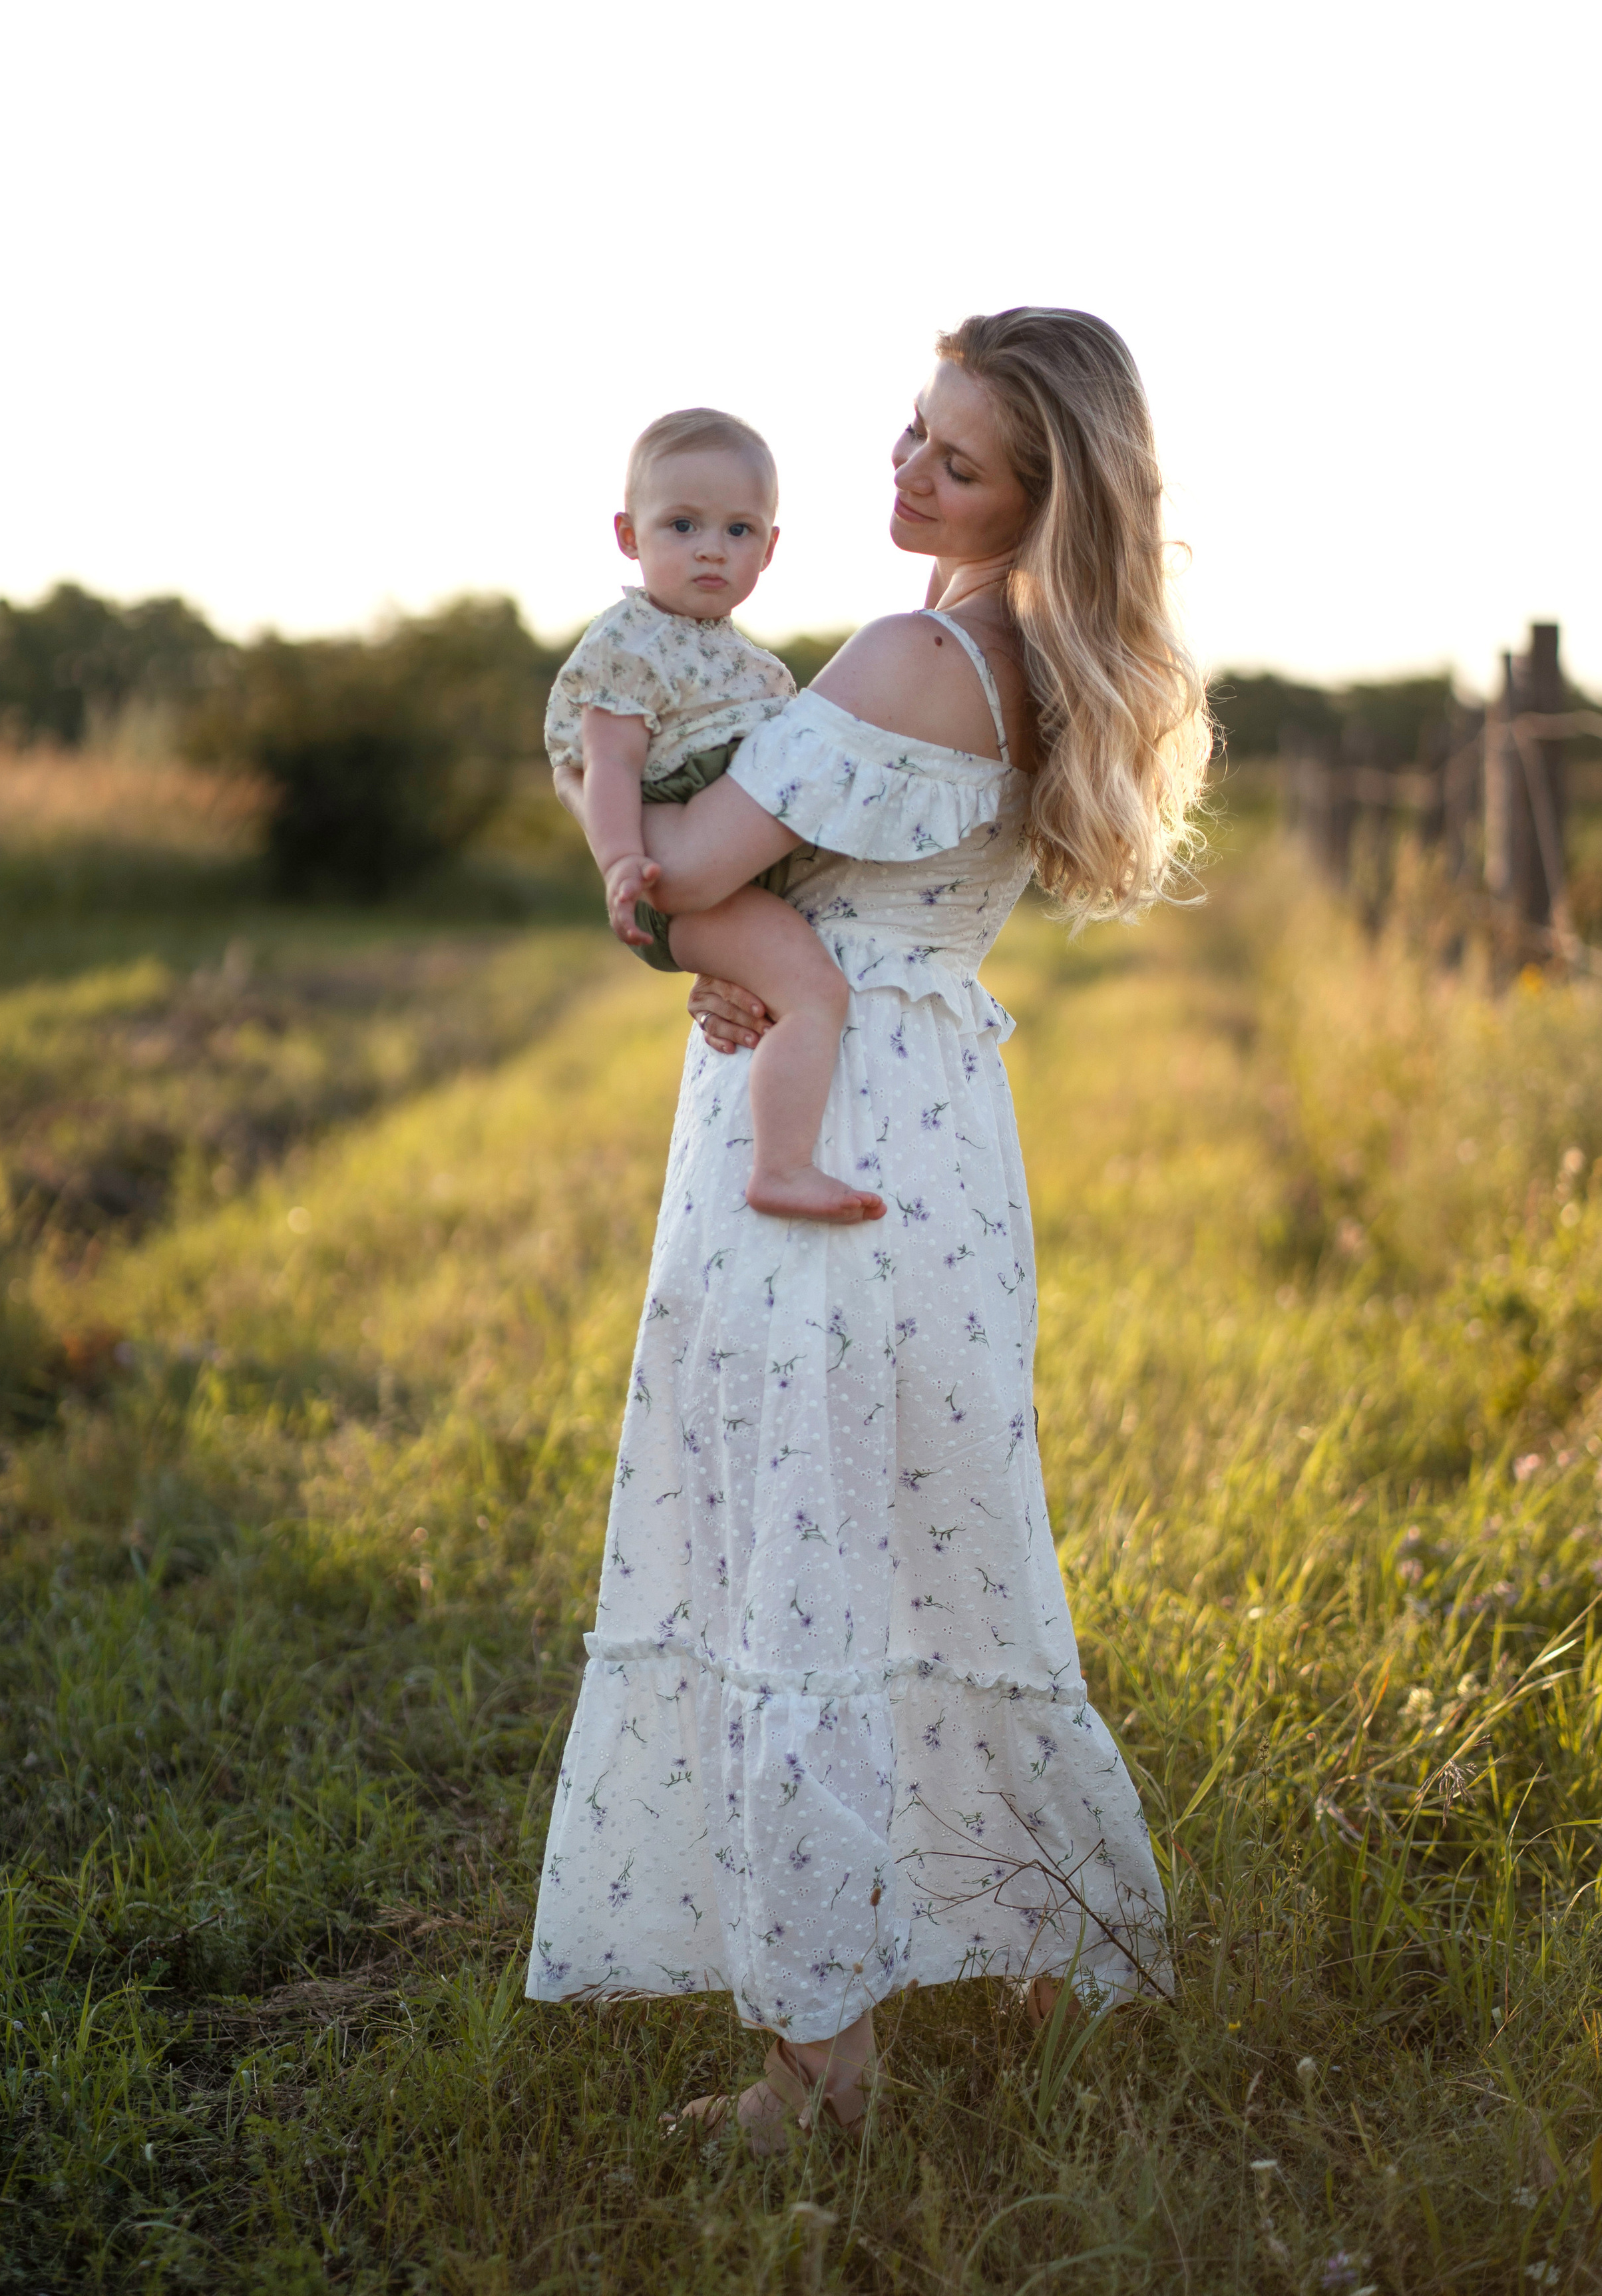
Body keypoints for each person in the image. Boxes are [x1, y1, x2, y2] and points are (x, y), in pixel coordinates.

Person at [527, 309, 1210, 2150]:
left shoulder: (916, 650)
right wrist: (757, 955)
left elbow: (676, 875)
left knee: (803, 1540)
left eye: (955, 461)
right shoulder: (1036, 659)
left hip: (833, 1122)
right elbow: (821, 889)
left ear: (1037, 502)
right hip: (935, 1112)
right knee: (931, 1533)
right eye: (913, 428)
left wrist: (610, 803)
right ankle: (1042, 1953)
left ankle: (818, 2069)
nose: (906, 471)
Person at [545, 407, 886, 1226]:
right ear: (628, 536)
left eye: (738, 530)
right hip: (668, 867)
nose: (710, 548)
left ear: (769, 549)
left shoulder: (753, 667)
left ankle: (780, 1153)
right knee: (814, 992)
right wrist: (620, 861)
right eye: (682, 525)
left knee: (795, 983)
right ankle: (781, 1167)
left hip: (734, 866)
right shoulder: (628, 643)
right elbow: (609, 763)